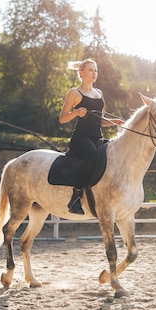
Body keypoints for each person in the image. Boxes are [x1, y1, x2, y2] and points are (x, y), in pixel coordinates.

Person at [59, 58, 124, 214]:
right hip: (81, 138)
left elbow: (98, 121)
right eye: (90, 70)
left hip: (97, 137)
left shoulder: (99, 93)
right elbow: (62, 118)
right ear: (81, 73)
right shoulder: (74, 93)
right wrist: (76, 112)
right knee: (92, 155)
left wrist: (113, 122)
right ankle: (76, 196)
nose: (94, 73)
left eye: (96, 70)